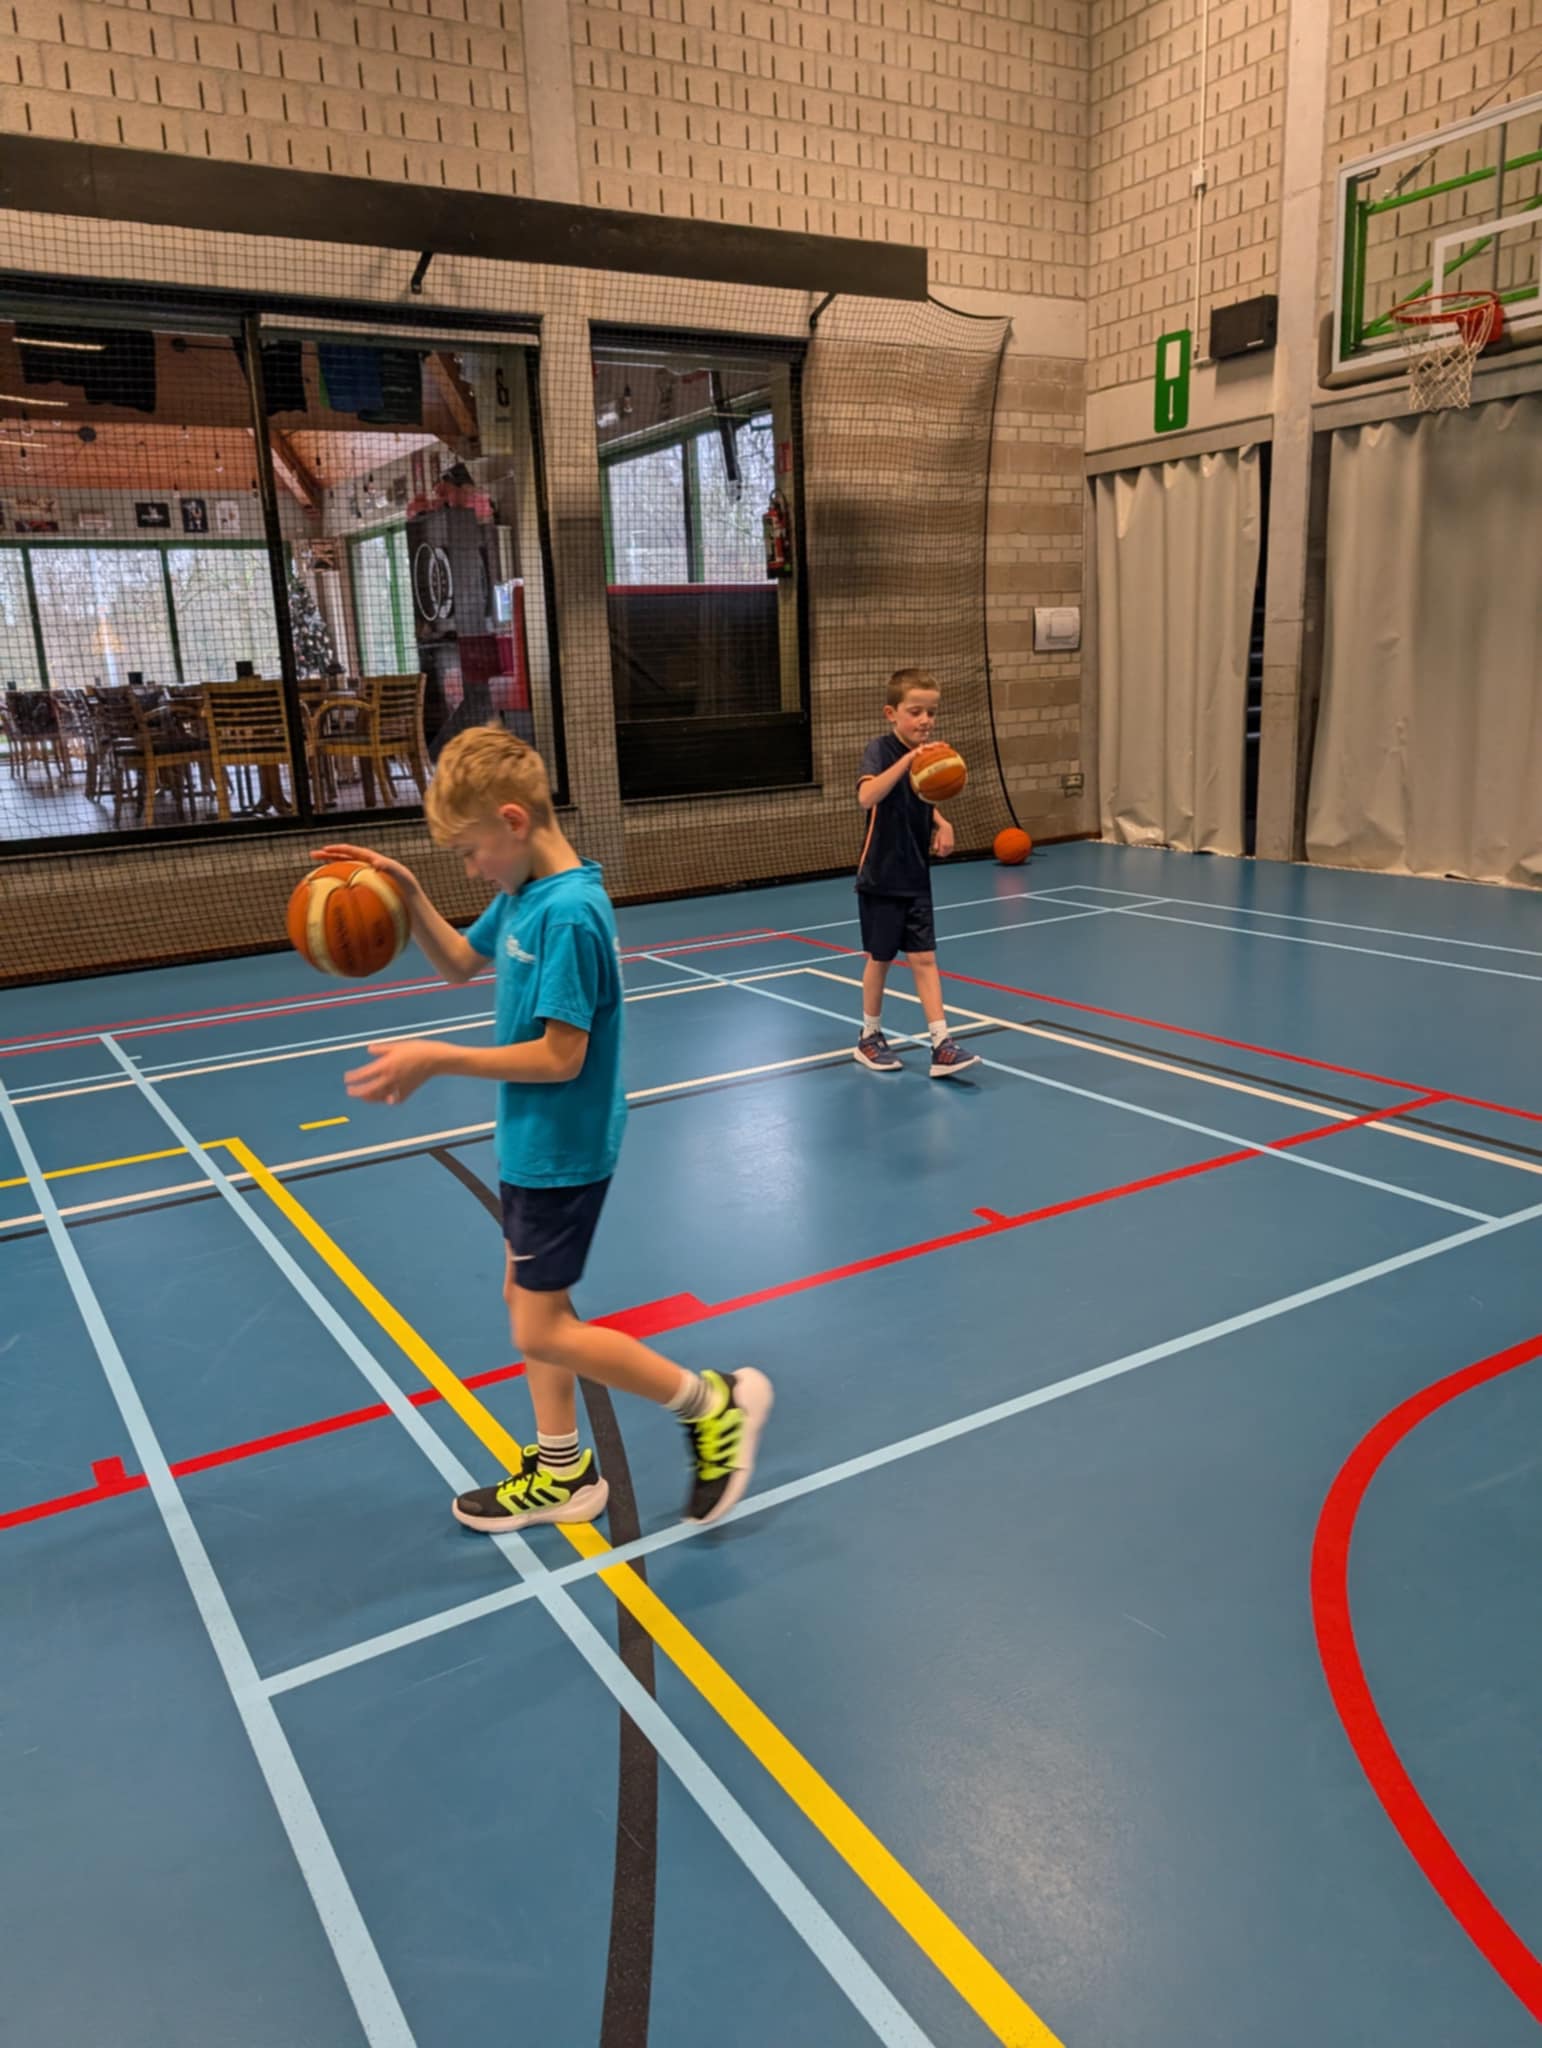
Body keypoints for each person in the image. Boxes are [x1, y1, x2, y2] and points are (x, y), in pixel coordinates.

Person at [322, 725, 772, 1532]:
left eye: (471, 852)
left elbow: (563, 1057)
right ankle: (565, 1473)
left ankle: (711, 1404)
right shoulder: (525, 893)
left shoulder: (569, 914)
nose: (472, 869)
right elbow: (460, 963)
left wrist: (437, 1058)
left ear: (514, 820)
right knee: (530, 1302)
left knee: (541, 1325)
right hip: (532, 1141)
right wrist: (408, 894)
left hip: (563, 1147)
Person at [853, 668, 980, 1078]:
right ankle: (869, 1037)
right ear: (891, 713)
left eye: (931, 712)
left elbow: (921, 795)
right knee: (881, 959)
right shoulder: (881, 749)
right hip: (880, 875)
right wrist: (908, 761)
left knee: (924, 958)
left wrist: (941, 822)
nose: (925, 720)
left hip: (915, 874)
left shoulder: (930, 755)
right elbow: (867, 796)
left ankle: (942, 1044)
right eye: (915, 712)